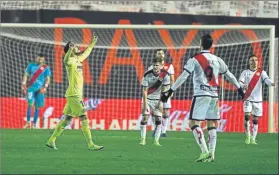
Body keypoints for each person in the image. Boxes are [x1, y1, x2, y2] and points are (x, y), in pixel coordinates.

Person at [161, 34, 245, 162]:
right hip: (214, 95)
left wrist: (170, 91)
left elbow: (183, 76)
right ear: (211, 45)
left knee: (193, 123)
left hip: (201, 94)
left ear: (200, 43)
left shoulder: (195, 59)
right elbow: (230, 76)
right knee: (211, 124)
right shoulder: (218, 59)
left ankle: (205, 152)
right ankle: (212, 154)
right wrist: (240, 90)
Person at [46, 36, 104, 151]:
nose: (78, 48)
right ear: (70, 49)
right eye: (75, 47)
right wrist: (70, 51)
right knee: (84, 117)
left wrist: (93, 42)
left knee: (67, 119)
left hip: (74, 94)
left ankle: (51, 140)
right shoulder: (69, 60)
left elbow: (86, 53)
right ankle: (90, 144)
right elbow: (65, 60)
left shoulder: (78, 59)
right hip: (74, 95)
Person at [239, 55, 275, 145]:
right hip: (248, 98)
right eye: (252, 60)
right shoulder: (245, 72)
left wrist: (272, 83)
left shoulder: (262, 72)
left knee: (255, 120)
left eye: (256, 60)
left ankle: (253, 139)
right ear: (249, 62)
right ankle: (247, 135)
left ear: (257, 62)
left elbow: (267, 80)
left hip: (258, 100)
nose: (254, 61)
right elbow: (240, 81)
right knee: (247, 116)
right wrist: (243, 85)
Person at [140, 56, 170, 146]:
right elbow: (144, 91)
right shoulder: (147, 75)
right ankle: (142, 139)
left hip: (158, 100)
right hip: (147, 99)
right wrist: (145, 104)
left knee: (158, 120)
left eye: (157, 65)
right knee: (145, 117)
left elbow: (164, 90)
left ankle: (156, 141)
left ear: (161, 66)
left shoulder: (165, 75)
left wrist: (161, 102)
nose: (155, 67)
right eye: (154, 65)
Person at [148, 49, 175, 137]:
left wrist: (172, 90)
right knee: (155, 111)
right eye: (159, 53)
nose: (161, 54)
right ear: (156, 55)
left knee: (166, 111)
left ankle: (163, 131)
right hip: (155, 91)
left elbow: (172, 79)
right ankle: (155, 129)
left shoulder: (169, 66)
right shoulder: (152, 67)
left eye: (162, 53)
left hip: (166, 90)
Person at [22, 53, 51, 129]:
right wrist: (24, 84)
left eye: (41, 59)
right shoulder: (31, 65)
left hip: (40, 89)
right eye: (39, 58)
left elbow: (48, 79)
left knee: (37, 107)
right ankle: (28, 123)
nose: (40, 60)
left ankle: (34, 125)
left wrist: (45, 87)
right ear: (36, 58)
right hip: (31, 88)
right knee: (30, 105)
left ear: (44, 59)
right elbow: (25, 75)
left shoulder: (46, 68)